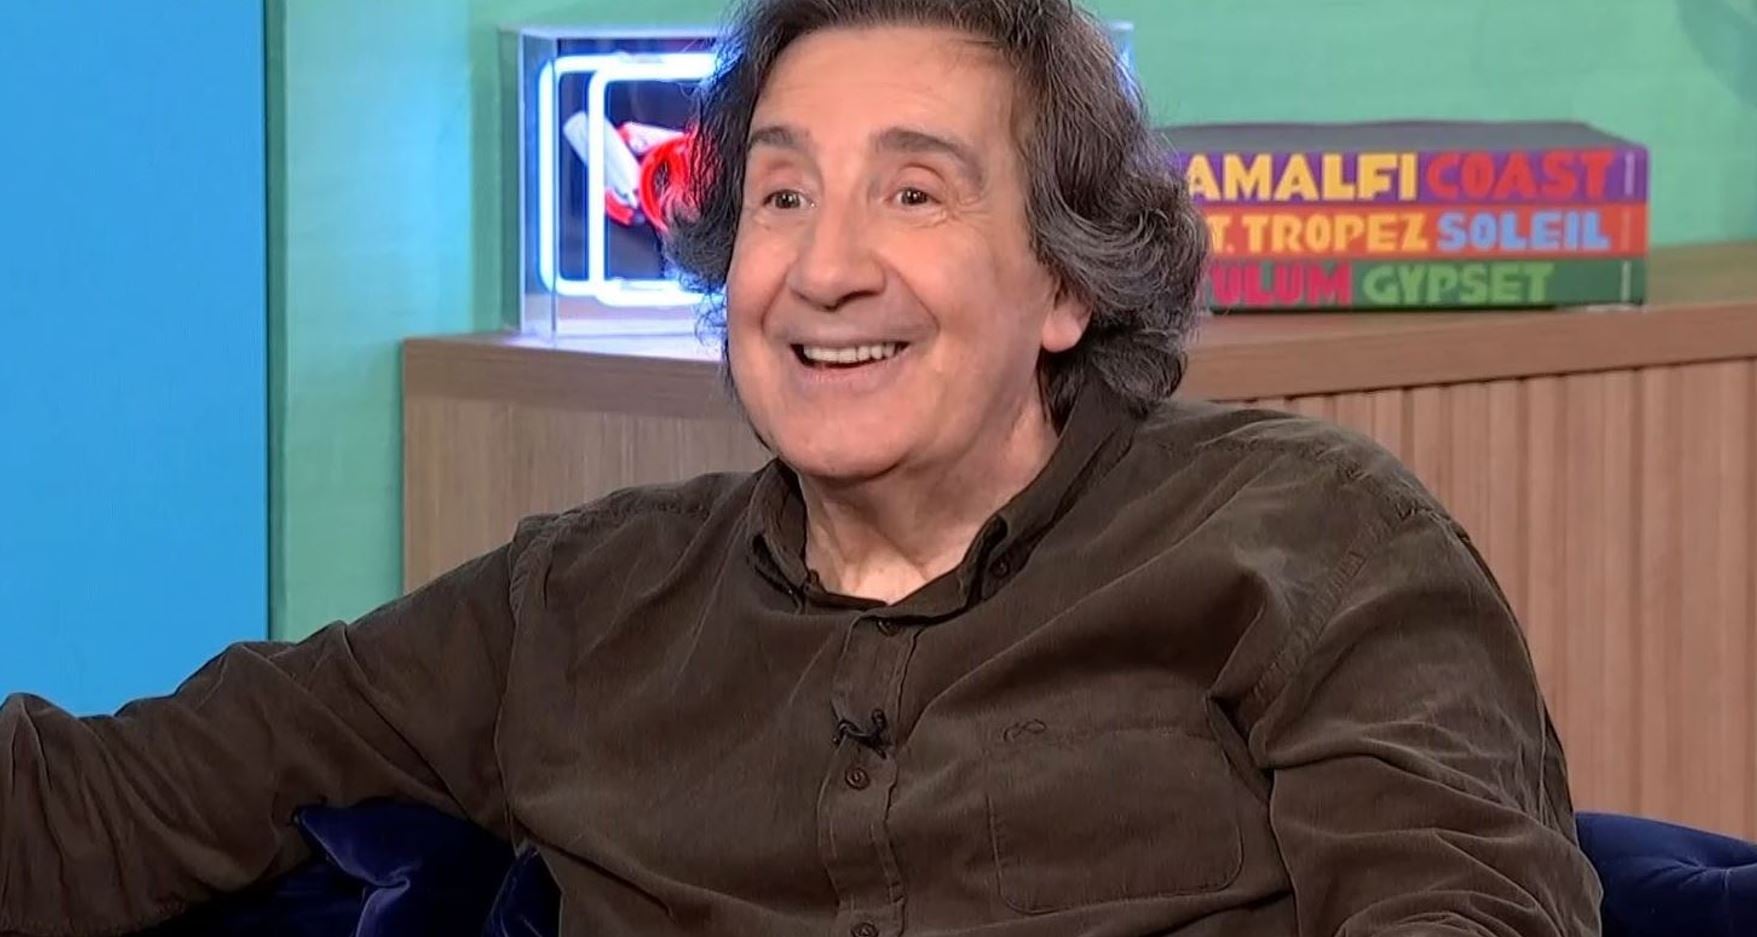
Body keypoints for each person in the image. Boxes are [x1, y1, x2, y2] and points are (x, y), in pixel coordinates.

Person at [0, 0, 1602, 934]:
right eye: (781, 197)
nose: (825, 269)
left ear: (1064, 281)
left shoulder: (1306, 534)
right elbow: (102, 806)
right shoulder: (580, 601)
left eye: (913, 194)